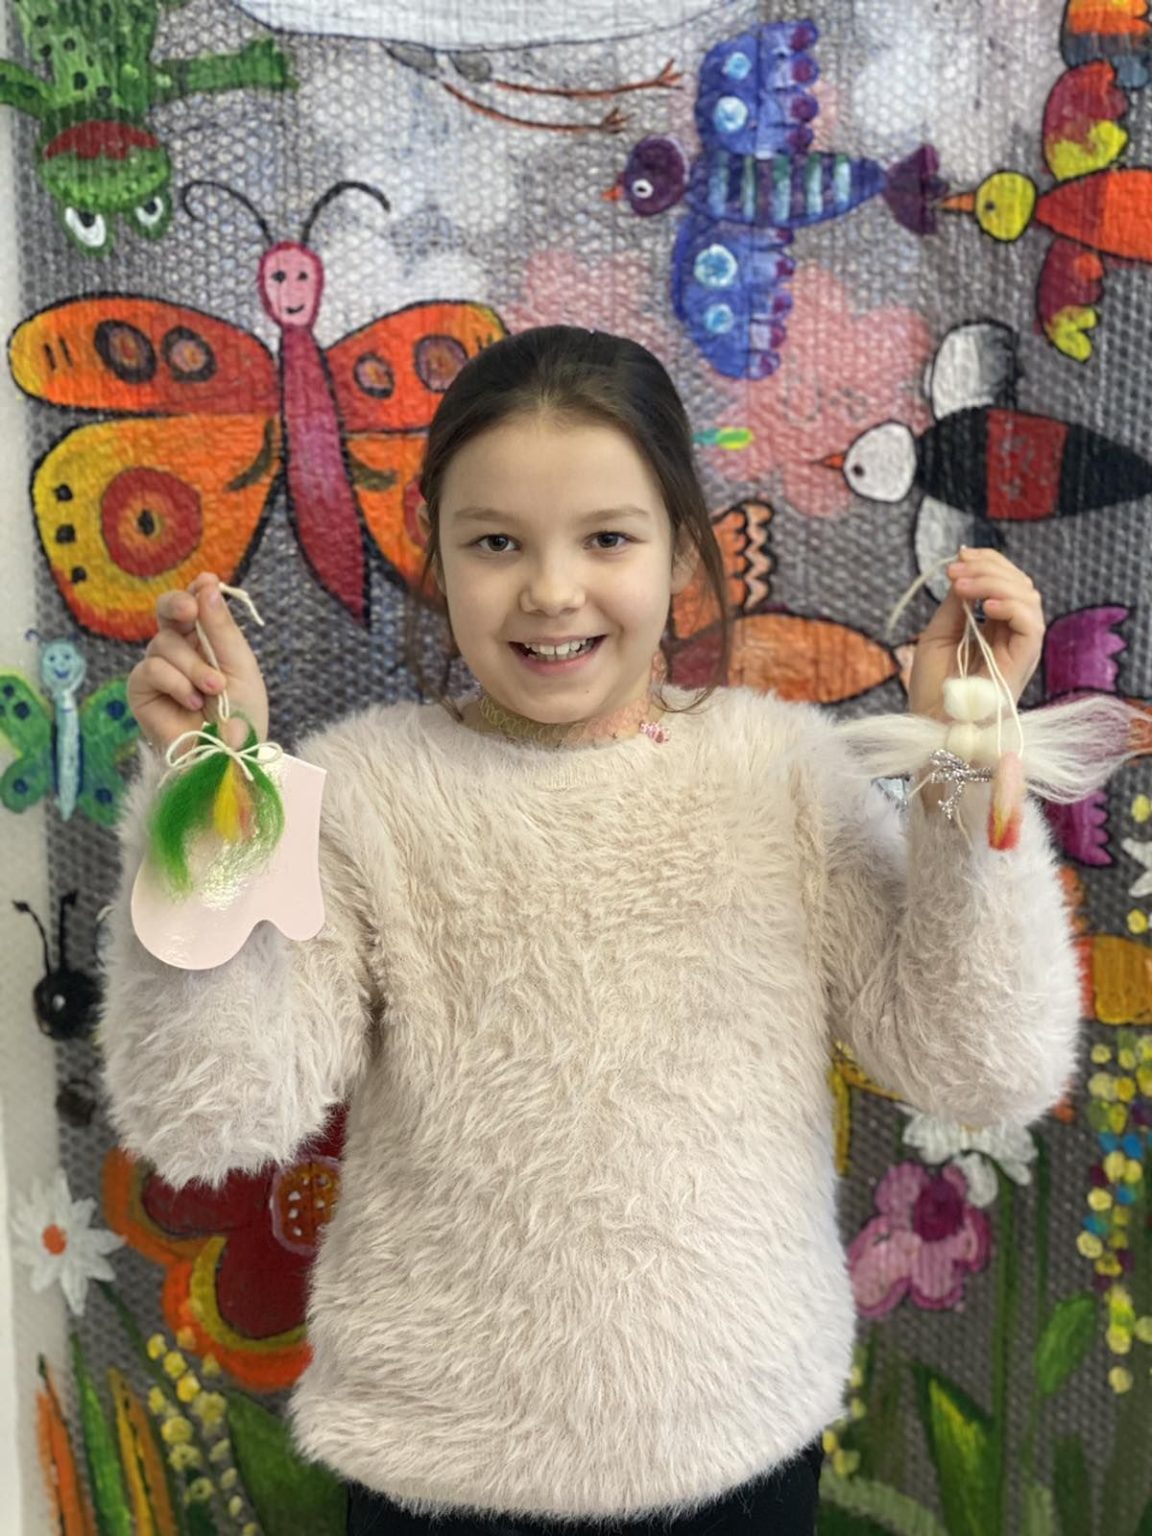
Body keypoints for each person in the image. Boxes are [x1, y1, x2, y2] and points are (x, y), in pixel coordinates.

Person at [102, 326, 1078, 1536]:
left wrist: (963, 765)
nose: (552, 590)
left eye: (606, 538)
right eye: (496, 542)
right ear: (436, 554)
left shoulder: (783, 773)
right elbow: (209, 1116)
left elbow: (981, 1062)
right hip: (439, 1465)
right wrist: (210, 803)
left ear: (682, 549)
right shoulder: (365, 795)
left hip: (732, 1446)